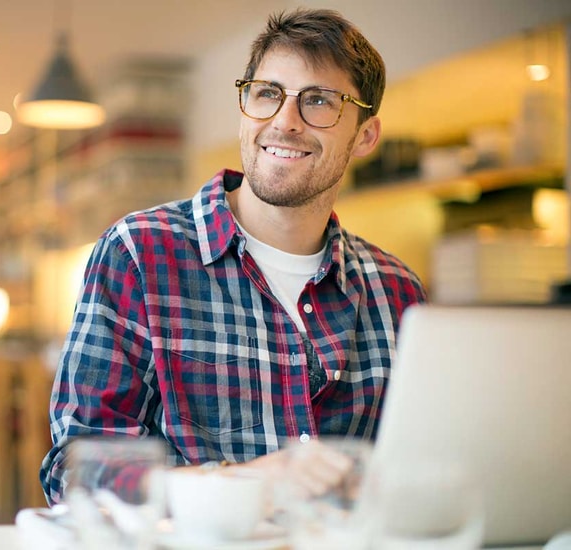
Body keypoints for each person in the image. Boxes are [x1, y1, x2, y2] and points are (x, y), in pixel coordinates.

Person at [40, 7, 427, 506]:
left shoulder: (397, 291)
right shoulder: (138, 253)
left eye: (319, 101)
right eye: (267, 93)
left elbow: (425, 467)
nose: (284, 122)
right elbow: (78, 472)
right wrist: (245, 484)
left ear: (366, 136)